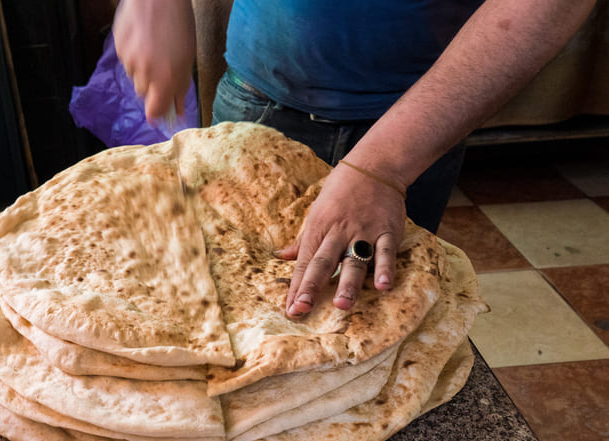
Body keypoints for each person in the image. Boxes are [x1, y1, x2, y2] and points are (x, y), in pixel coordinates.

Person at [113, 0, 596, 319]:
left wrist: (382, 168)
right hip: (257, 94)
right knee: (222, 310)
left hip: (420, 119)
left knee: (362, 325)